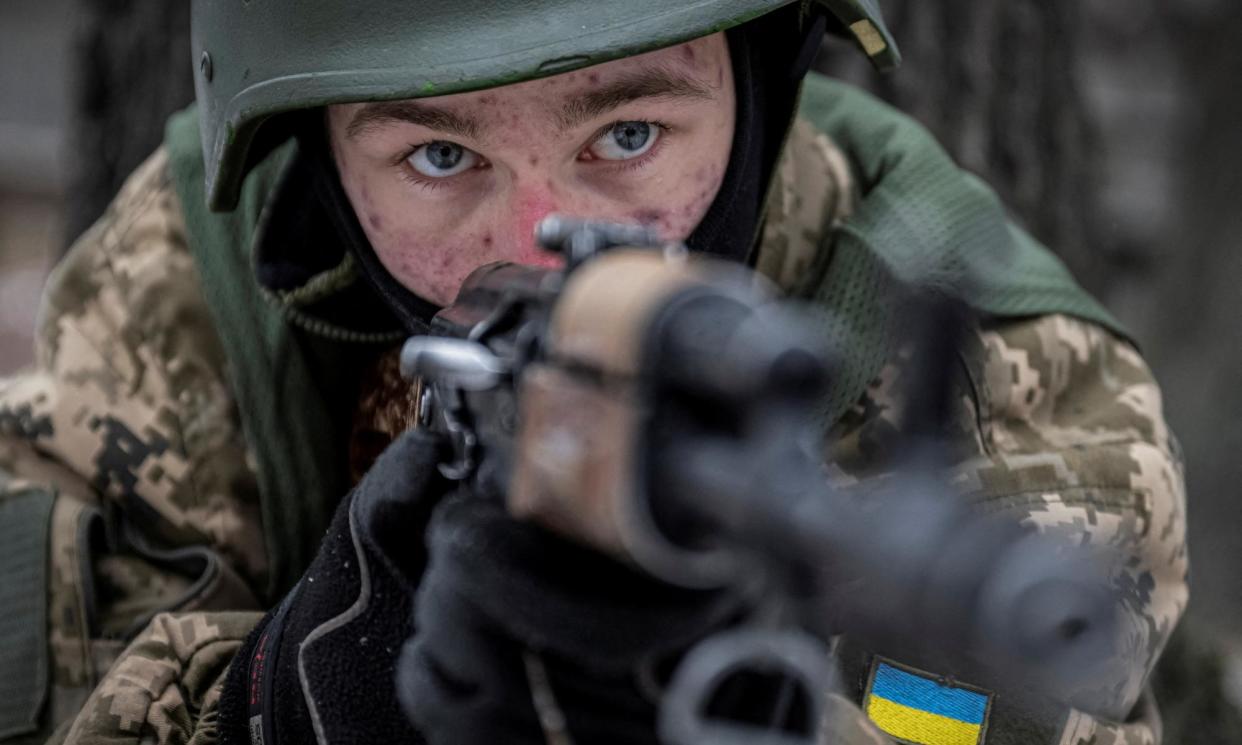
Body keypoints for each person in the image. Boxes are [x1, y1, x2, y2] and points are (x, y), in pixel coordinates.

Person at [0, 1, 1186, 743]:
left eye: (626, 136)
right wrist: (297, 695)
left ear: (760, 88)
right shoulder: (188, 279)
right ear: (315, 146)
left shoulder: (1017, 381)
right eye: (440, 153)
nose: (540, 238)